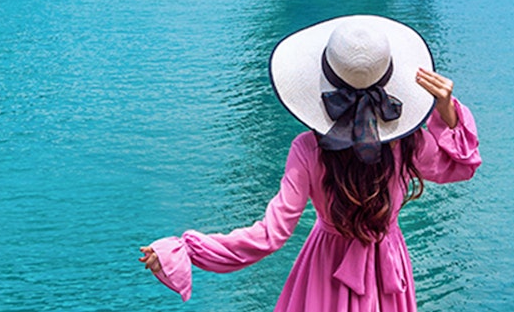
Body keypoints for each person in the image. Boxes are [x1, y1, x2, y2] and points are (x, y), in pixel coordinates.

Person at [139, 15, 481, 311]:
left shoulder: (307, 149)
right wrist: (447, 113)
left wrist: (188, 250)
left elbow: (269, 235)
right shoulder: (408, 142)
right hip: (387, 269)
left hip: (326, 270)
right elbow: (462, 168)